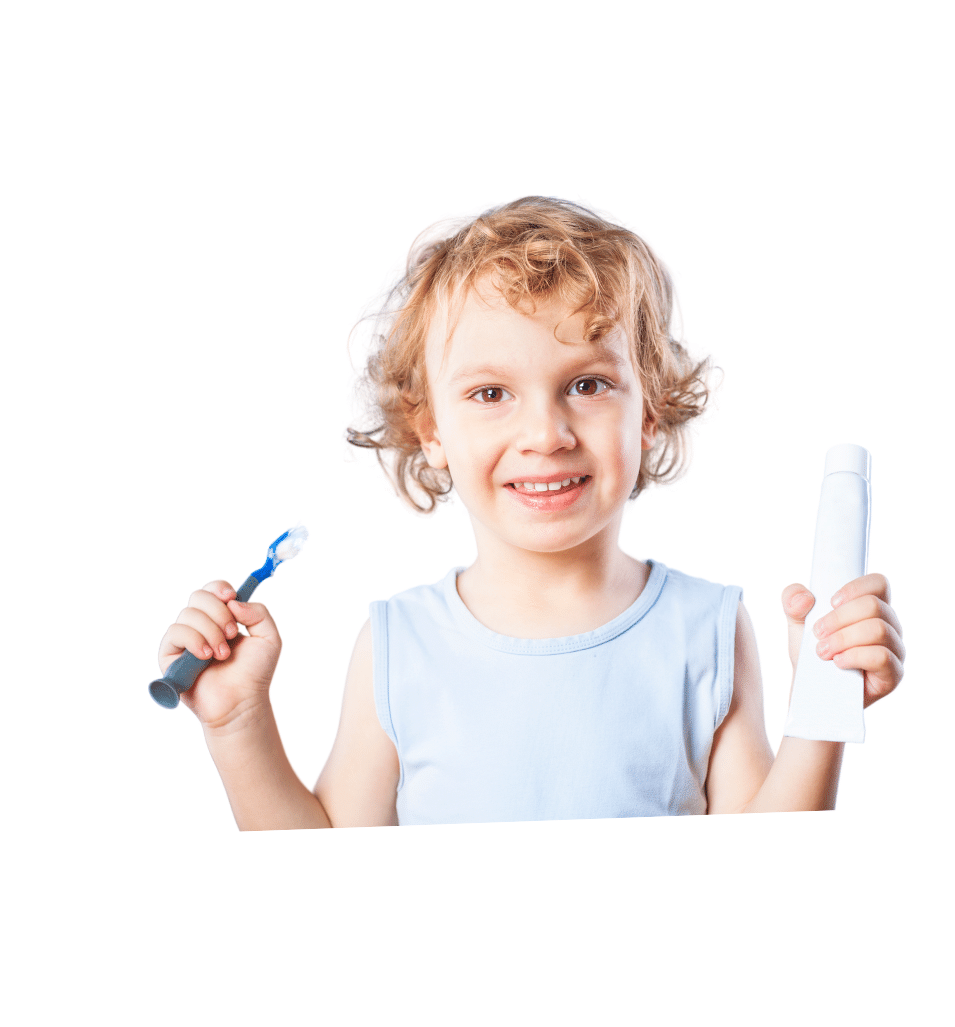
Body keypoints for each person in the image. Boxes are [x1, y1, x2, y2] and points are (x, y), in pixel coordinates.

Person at [157, 196, 905, 828]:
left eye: (586, 384)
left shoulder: (705, 631)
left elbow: (769, 885)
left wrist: (822, 704)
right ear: (431, 431)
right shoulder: (398, 647)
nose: (545, 434)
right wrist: (237, 723)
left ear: (650, 412)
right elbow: (326, 887)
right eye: (490, 394)